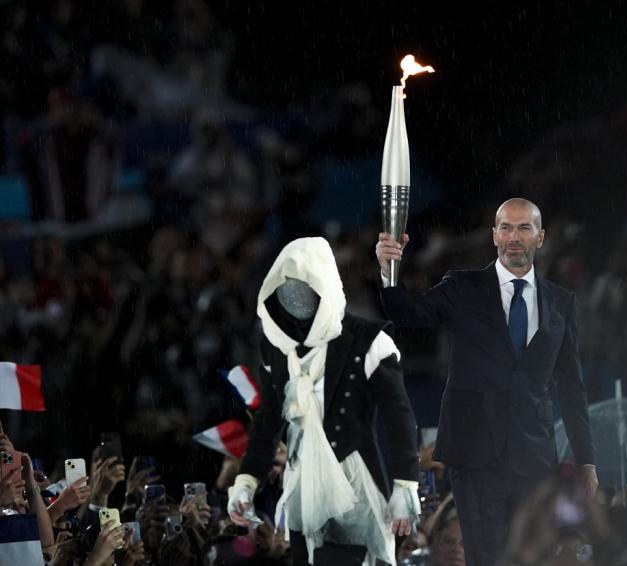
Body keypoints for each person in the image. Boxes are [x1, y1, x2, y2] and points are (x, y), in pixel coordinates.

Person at [375, 198, 598, 566]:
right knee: (486, 558)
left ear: (540, 237)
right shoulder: (463, 288)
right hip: (475, 454)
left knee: (532, 558)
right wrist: (389, 271)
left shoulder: (561, 303)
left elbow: (573, 389)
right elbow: (406, 313)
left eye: (524, 228)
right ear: (494, 235)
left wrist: (587, 462)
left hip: (534, 457)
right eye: (506, 228)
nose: (514, 237)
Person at [227, 237, 421, 566]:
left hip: (354, 484)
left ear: (325, 287)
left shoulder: (368, 341)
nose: (294, 300)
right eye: (286, 292)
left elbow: (399, 417)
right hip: (303, 490)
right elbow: (267, 424)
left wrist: (406, 486)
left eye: (304, 290)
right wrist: (246, 481)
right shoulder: (276, 348)